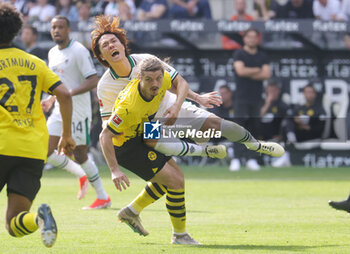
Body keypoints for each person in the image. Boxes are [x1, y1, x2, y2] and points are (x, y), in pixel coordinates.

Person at [91, 15, 284, 166]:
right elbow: (107, 122)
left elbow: (179, 83)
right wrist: (118, 132)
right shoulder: (105, 86)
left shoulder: (146, 60)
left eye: (114, 41)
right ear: (102, 56)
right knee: (162, 163)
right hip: (145, 124)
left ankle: (255, 145)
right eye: (105, 45)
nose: (111, 45)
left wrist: (186, 103)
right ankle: (203, 151)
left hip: (170, 106)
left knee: (218, 125)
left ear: (123, 45)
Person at [100, 57, 218, 244]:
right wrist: (114, 170)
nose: (155, 84)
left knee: (172, 178)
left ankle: (131, 212)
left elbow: (181, 84)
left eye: (158, 78)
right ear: (139, 78)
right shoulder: (128, 107)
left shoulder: (162, 81)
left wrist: (180, 106)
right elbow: (104, 135)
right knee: (176, 181)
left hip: (144, 131)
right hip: (127, 146)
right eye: (149, 80)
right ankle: (180, 236)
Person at [0, 2, 75, 247]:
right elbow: (64, 94)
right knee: (15, 222)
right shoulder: (34, 62)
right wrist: (66, 135)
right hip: (32, 150)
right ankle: (39, 219)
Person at [42, 15, 110, 209]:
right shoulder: (52, 53)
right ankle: (81, 175)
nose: (56, 30)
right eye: (53, 27)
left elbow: (93, 80)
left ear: (68, 30)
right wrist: (52, 98)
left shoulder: (78, 51)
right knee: (44, 149)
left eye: (60, 27)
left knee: (80, 154)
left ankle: (103, 197)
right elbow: (58, 83)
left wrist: (68, 94)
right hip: (58, 109)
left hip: (79, 110)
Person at [231, 28, 271, 171]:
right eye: (249, 37)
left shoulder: (263, 56)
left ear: (258, 39)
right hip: (241, 98)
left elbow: (266, 74)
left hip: (256, 98)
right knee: (238, 129)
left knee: (254, 128)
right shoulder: (239, 54)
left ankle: (251, 159)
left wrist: (249, 71)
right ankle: (236, 158)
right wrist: (257, 70)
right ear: (245, 39)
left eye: (255, 37)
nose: (252, 39)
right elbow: (240, 71)